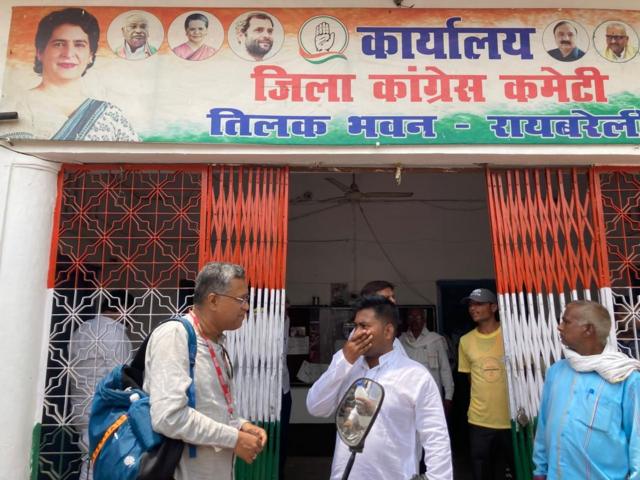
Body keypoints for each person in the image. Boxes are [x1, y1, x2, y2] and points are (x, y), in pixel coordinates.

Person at [306, 296, 453, 480]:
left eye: (364, 326)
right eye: (355, 326)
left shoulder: (415, 376)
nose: (356, 333)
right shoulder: (346, 367)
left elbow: (436, 438)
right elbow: (316, 407)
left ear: (388, 330)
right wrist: (343, 361)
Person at [144, 262, 267, 479]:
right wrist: (234, 438)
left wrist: (242, 425)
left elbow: (209, 407)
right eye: (241, 299)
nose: (246, 307)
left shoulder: (216, 342)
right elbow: (169, 417)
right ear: (213, 300)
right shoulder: (175, 336)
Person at [532, 300, 640, 480]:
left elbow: (637, 441)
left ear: (588, 329)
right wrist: (540, 470)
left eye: (566, 322)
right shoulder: (556, 372)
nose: (559, 327)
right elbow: (544, 425)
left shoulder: (626, 378)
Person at [3, 8, 139, 141]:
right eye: (59, 44)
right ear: (40, 52)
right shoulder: (14, 106)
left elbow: (135, 161)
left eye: (79, 44)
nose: (68, 54)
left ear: (91, 55)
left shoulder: (111, 115)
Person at [69, 289, 133, 480]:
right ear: (124, 309)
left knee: (90, 457)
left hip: (79, 405)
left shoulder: (82, 329)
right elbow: (121, 375)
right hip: (103, 407)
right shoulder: (115, 334)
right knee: (98, 461)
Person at [458, 288, 514, 480]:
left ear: (494, 307)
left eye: (478, 304)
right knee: (482, 473)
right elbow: (470, 379)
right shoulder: (465, 341)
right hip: (479, 420)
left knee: (516, 470)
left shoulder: (512, 336)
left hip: (512, 419)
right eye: (470, 305)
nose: (473, 308)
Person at [400, 308, 454, 414]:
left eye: (418, 317)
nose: (414, 320)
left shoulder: (435, 340)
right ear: (407, 320)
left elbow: (445, 369)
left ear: (424, 320)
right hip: (408, 395)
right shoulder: (401, 340)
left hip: (431, 394)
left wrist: (448, 396)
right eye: (411, 317)